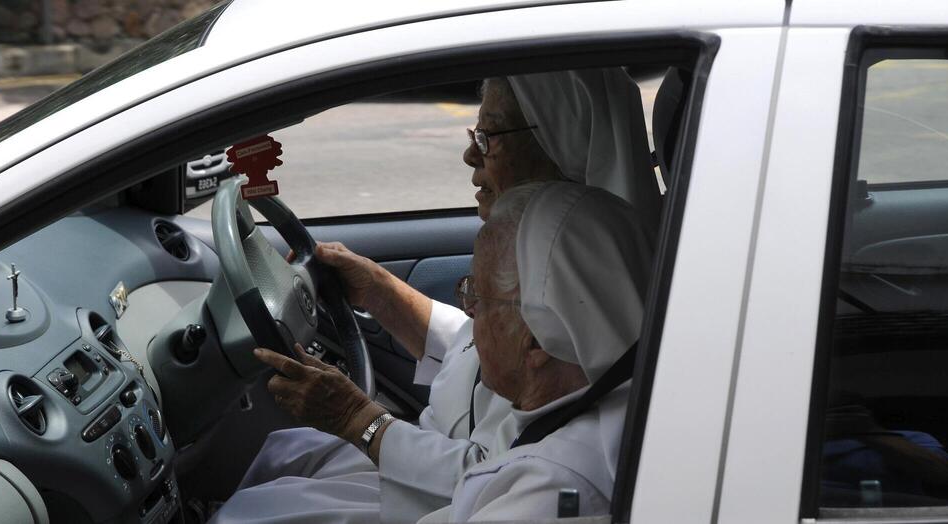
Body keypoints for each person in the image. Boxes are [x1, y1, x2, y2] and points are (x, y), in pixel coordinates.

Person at [211, 77, 563, 524]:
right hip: (438, 461)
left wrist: (359, 418)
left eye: (488, 136)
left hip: (458, 497)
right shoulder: (534, 246)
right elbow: (470, 341)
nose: (470, 154)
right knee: (288, 450)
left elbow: (497, 479)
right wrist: (379, 291)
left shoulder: (574, 271)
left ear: (553, 141)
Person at [426, 180, 653, 521]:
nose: (469, 310)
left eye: (479, 296)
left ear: (534, 341)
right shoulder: (622, 412)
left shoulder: (555, 487)